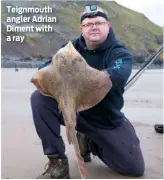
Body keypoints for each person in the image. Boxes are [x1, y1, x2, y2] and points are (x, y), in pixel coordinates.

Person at [30, 4, 145, 179]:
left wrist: (83, 78)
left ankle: (89, 142)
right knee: (39, 99)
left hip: (105, 119)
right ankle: (57, 162)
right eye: (88, 24)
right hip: (72, 109)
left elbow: (118, 76)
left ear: (108, 26)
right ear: (81, 29)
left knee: (133, 168)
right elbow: (44, 69)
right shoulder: (69, 48)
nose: (93, 27)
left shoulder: (120, 53)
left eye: (99, 22)